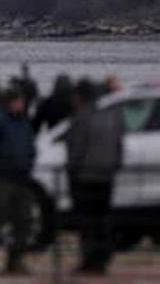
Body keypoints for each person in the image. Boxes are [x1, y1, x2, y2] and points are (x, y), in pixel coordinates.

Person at [66, 78, 124, 275]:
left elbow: (77, 148)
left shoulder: (82, 117)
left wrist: (71, 169)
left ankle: (89, 260)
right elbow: (119, 145)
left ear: (80, 97)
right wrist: (114, 166)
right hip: (107, 176)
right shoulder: (111, 116)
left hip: (86, 177)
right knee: (103, 220)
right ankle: (102, 260)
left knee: (87, 222)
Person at [0, 87, 36, 275]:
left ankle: (15, 259)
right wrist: (3, 156)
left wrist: (29, 159)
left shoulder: (23, 120)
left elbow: (29, 143)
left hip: (22, 176)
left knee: (24, 219)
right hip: (3, 176)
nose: (21, 105)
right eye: (18, 101)